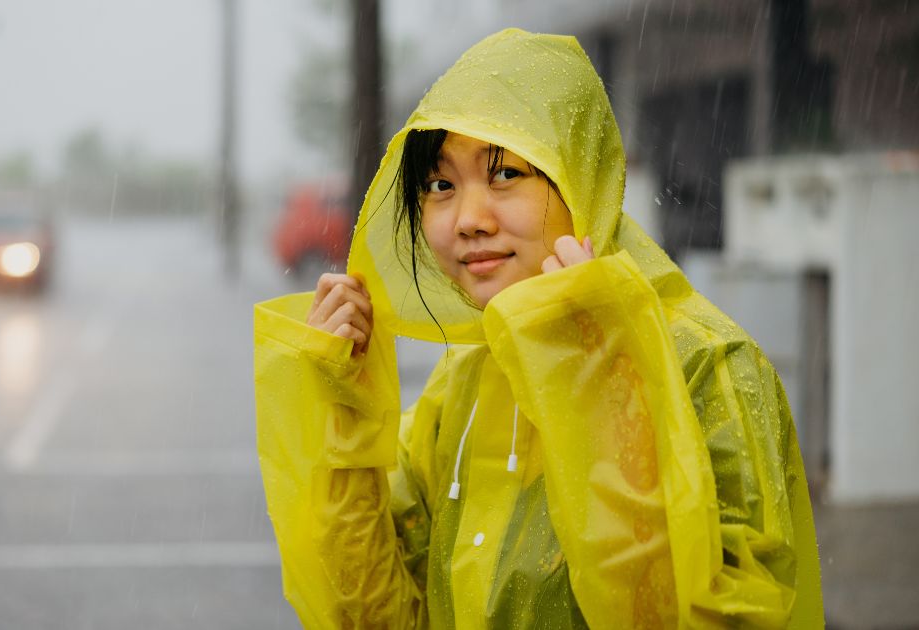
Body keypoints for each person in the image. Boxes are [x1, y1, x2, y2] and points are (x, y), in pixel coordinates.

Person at [253, 28, 822, 629]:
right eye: (441, 186)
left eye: (505, 174)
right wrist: (345, 411)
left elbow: (732, 615)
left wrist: (600, 387)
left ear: (581, 179)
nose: (469, 220)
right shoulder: (466, 380)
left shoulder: (706, 364)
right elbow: (384, 617)